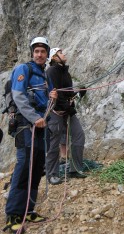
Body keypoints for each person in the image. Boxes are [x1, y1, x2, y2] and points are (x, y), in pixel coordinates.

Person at [4, 37, 58, 233]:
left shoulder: (45, 76)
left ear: (47, 54)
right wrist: (34, 117)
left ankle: (28, 209)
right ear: (32, 53)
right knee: (24, 165)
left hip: (41, 125)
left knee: (37, 167)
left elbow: (49, 97)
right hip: (25, 124)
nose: (39, 54)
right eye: (36, 51)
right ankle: (13, 215)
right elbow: (18, 95)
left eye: (43, 51)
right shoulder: (23, 70)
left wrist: (53, 96)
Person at [46, 47, 87, 185]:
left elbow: (67, 93)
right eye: (61, 53)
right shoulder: (51, 71)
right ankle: (52, 174)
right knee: (54, 142)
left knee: (79, 135)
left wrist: (79, 92)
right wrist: (66, 107)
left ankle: (75, 169)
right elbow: (54, 93)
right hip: (56, 112)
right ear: (54, 58)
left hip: (67, 111)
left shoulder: (65, 72)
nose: (64, 54)